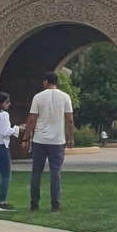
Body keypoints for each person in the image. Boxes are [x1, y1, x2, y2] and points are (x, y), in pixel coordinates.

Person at [25, 71, 74, 213]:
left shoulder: (38, 97)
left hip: (40, 139)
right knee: (55, 172)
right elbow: (69, 119)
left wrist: (25, 137)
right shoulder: (65, 97)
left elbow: (32, 119)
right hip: (57, 140)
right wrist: (71, 137)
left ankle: (34, 204)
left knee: (36, 172)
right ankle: (55, 205)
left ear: (45, 81)